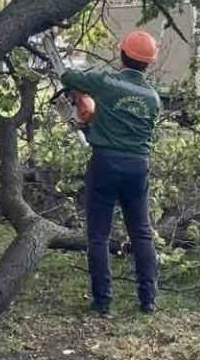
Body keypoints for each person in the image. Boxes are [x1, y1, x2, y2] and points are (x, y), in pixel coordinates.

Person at [60, 30, 162, 315]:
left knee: (99, 236)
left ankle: (103, 302)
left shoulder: (107, 83)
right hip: (138, 166)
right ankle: (148, 300)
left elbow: (68, 77)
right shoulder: (153, 98)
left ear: (122, 55)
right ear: (149, 63)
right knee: (142, 234)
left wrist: (83, 99)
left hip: (105, 162)